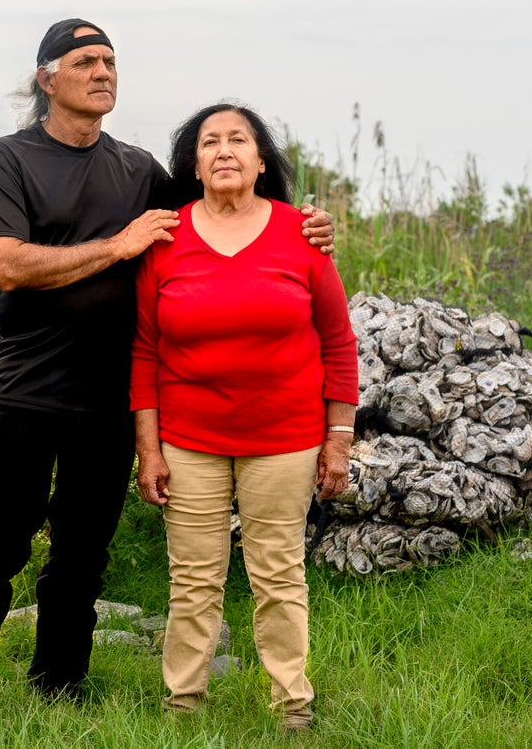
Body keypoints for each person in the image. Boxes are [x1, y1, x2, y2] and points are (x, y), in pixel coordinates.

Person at [0, 21, 335, 715]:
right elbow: (8, 265)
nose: (103, 72)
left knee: (82, 555)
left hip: (112, 398)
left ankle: (59, 687)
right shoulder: (8, 159)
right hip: (29, 391)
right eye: (85, 61)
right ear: (45, 78)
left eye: (111, 62)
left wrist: (303, 226)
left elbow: (224, 204)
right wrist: (117, 245)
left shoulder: (138, 169)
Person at [130, 102, 359, 732]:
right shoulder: (166, 236)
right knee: (193, 581)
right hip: (189, 440)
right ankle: (182, 705)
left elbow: (338, 342)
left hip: (284, 439)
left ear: (262, 162)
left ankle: (293, 707)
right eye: (210, 142)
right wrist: (148, 450)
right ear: (193, 163)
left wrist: (338, 440)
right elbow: (145, 350)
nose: (224, 150)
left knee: (278, 575)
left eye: (239, 140)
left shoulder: (301, 234)